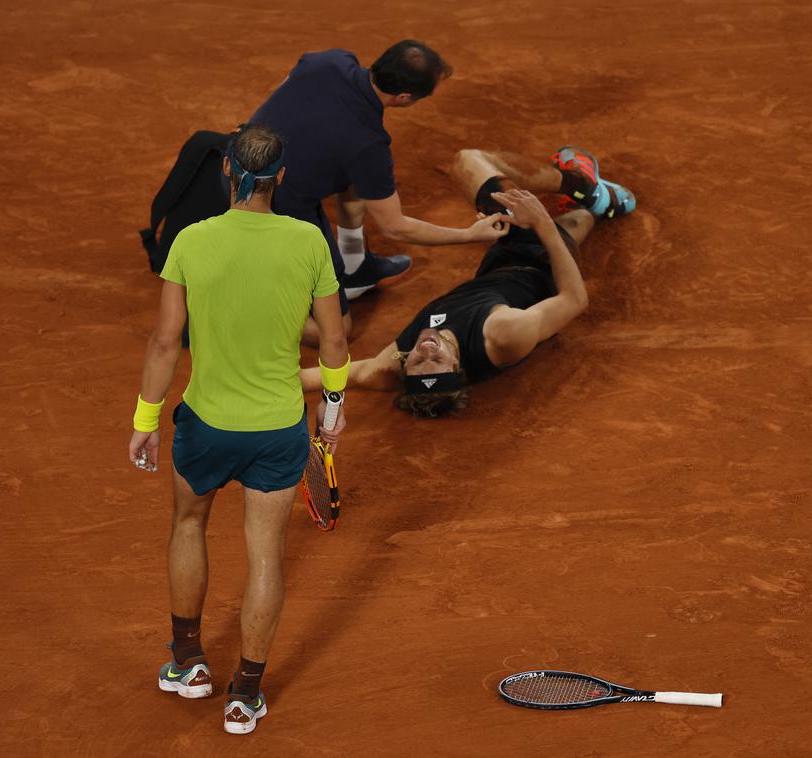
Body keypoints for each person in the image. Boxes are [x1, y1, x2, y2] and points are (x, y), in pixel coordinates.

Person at [127, 124, 352, 735]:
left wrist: (146, 420)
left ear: (228, 171)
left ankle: (188, 663)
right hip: (279, 431)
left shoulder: (191, 242)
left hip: (204, 426)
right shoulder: (308, 241)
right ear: (281, 177)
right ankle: (244, 696)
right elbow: (333, 339)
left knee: (189, 522)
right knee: (265, 557)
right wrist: (331, 414)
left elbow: (165, 340)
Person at [299, 146, 636, 417]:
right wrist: (541, 221)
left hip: (495, 268)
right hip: (541, 262)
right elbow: (574, 299)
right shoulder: (503, 334)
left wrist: (252, 385)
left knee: (575, 219)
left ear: (405, 366)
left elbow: (326, 377)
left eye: (418, 361)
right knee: (469, 161)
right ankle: (583, 185)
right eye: (437, 359)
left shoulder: (391, 365)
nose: (426, 350)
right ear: (458, 363)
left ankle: (597, 205)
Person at [247, 40, 509, 342]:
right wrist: (470, 235)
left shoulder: (331, 61)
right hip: (267, 208)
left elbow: (285, 87)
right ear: (403, 97)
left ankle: (354, 266)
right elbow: (395, 228)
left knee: (355, 181)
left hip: (237, 160)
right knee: (335, 331)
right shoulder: (368, 145)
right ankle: (233, 309)